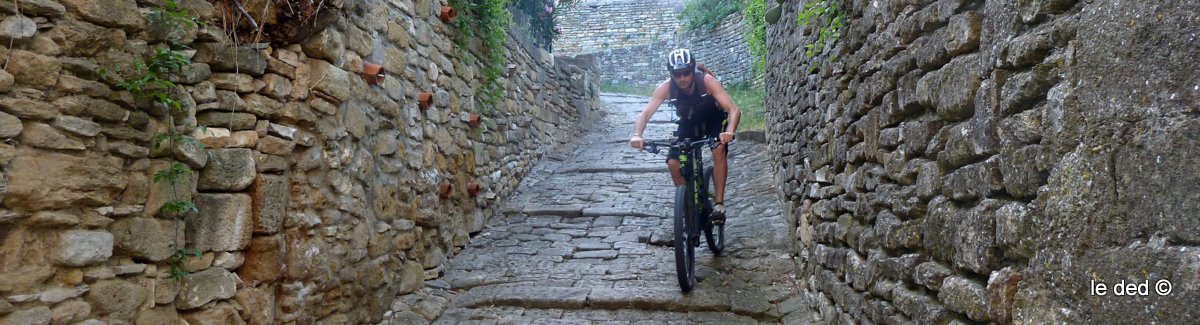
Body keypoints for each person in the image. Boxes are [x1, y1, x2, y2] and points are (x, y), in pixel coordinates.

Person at [629, 48, 741, 224]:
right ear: (671, 73)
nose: (682, 78)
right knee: (673, 162)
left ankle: (719, 204)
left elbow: (733, 109)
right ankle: (687, 205)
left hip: (713, 119)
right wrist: (637, 135)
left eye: (686, 73)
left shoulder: (707, 81)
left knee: (718, 150)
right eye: (677, 74)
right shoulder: (666, 88)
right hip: (688, 123)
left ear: (693, 69)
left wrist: (729, 131)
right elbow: (645, 114)